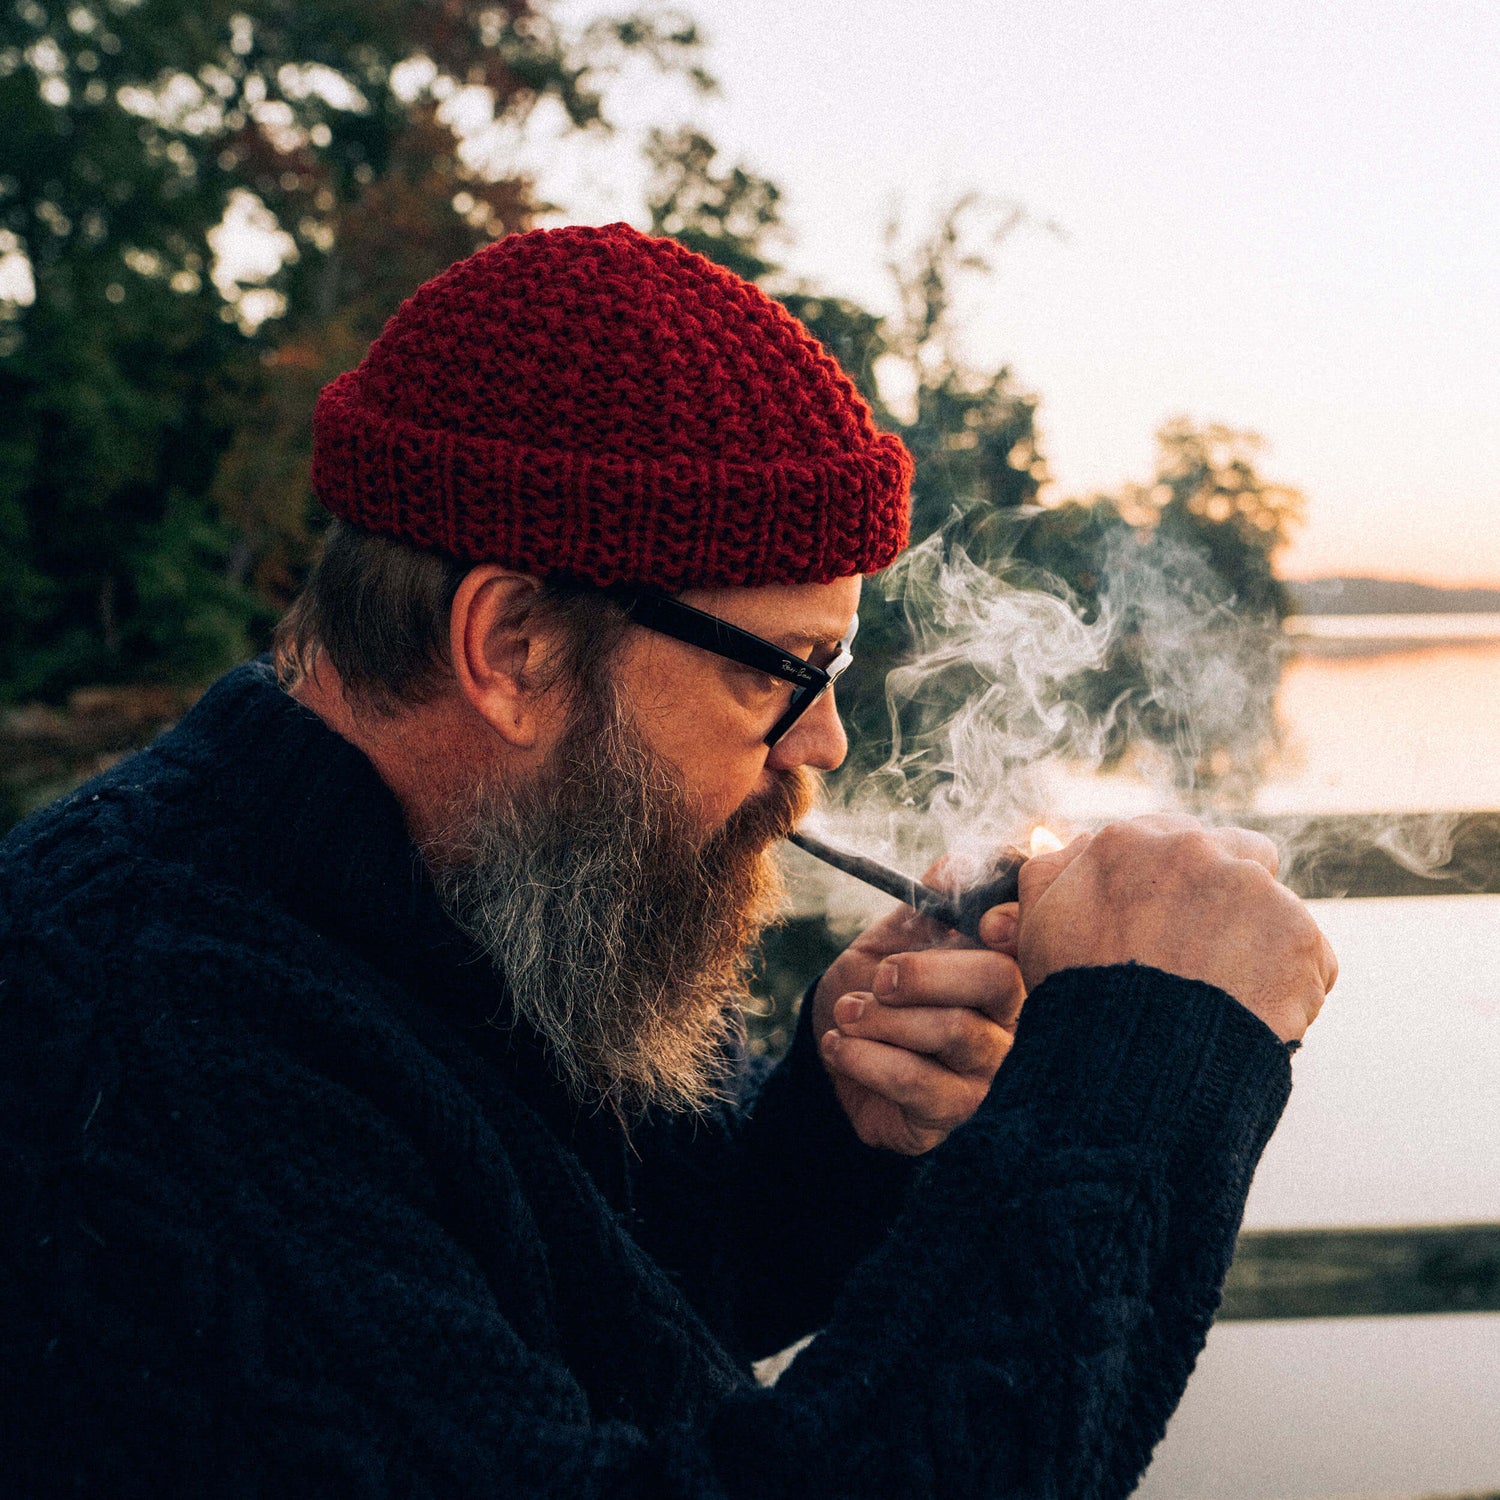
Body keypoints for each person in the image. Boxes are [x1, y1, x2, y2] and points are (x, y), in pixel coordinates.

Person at [0, 223, 1336, 1498]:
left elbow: (592, 1296)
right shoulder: (153, 1049)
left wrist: (830, 1132)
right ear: (515, 646)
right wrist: (1148, 1072)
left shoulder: (446, 889)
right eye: (786, 674)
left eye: (841, 667)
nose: (820, 743)